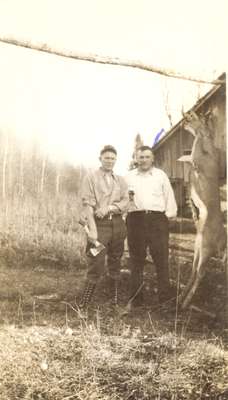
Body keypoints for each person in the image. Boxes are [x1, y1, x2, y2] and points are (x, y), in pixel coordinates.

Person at [125, 145, 177, 307]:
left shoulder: (160, 176)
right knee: (136, 261)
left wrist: (165, 218)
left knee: (161, 260)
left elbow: (169, 197)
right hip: (135, 220)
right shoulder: (128, 177)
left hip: (157, 220)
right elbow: (122, 200)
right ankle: (136, 299)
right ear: (136, 159)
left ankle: (164, 299)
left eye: (147, 157)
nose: (144, 160)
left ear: (152, 158)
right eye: (141, 157)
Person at [79, 145, 129, 309]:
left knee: (115, 261)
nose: (110, 161)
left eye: (113, 158)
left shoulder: (120, 180)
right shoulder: (90, 178)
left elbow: (125, 202)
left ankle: (113, 302)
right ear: (100, 158)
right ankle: (83, 304)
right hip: (99, 226)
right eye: (107, 158)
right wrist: (92, 230)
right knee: (96, 262)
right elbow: (87, 205)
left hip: (117, 225)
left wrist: (109, 208)